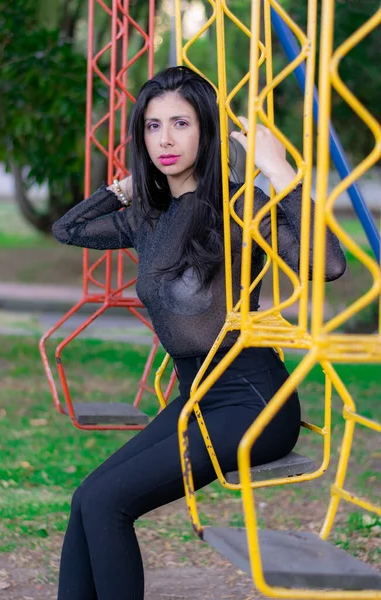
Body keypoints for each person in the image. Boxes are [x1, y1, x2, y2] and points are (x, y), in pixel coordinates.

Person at [52, 66, 346, 600]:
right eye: (152, 125)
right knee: (87, 497)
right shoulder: (148, 218)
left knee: (106, 503)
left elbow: (325, 264)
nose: (164, 139)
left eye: (181, 123)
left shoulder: (238, 208)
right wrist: (120, 190)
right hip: (195, 398)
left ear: (206, 132)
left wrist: (280, 173)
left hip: (252, 403)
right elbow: (67, 228)